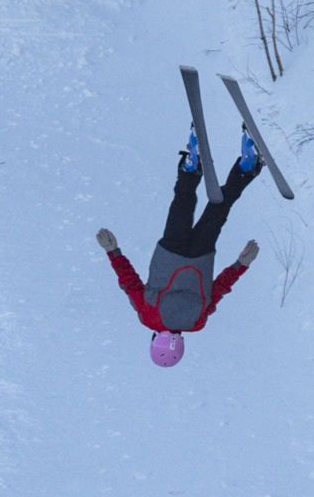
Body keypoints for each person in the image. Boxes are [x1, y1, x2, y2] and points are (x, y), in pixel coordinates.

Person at [96, 129, 262, 367]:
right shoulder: (148, 317)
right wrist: (113, 251)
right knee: (183, 203)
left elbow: (220, 288)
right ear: (155, 340)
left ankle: (247, 166)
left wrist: (241, 265)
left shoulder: (197, 322)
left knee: (218, 210)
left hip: (201, 256)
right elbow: (128, 281)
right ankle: (190, 167)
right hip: (169, 253)